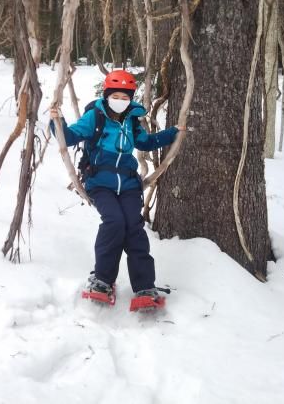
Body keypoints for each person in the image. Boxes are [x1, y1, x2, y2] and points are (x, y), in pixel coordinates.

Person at [49, 69, 184, 305]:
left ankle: (144, 287)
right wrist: (56, 121)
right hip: (100, 182)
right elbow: (68, 137)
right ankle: (102, 280)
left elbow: (146, 142)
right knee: (114, 222)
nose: (120, 102)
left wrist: (172, 134)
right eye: (116, 96)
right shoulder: (95, 117)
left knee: (133, 227)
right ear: (107, 95)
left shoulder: (132, 120)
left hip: (129, 184)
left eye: (125, 97)